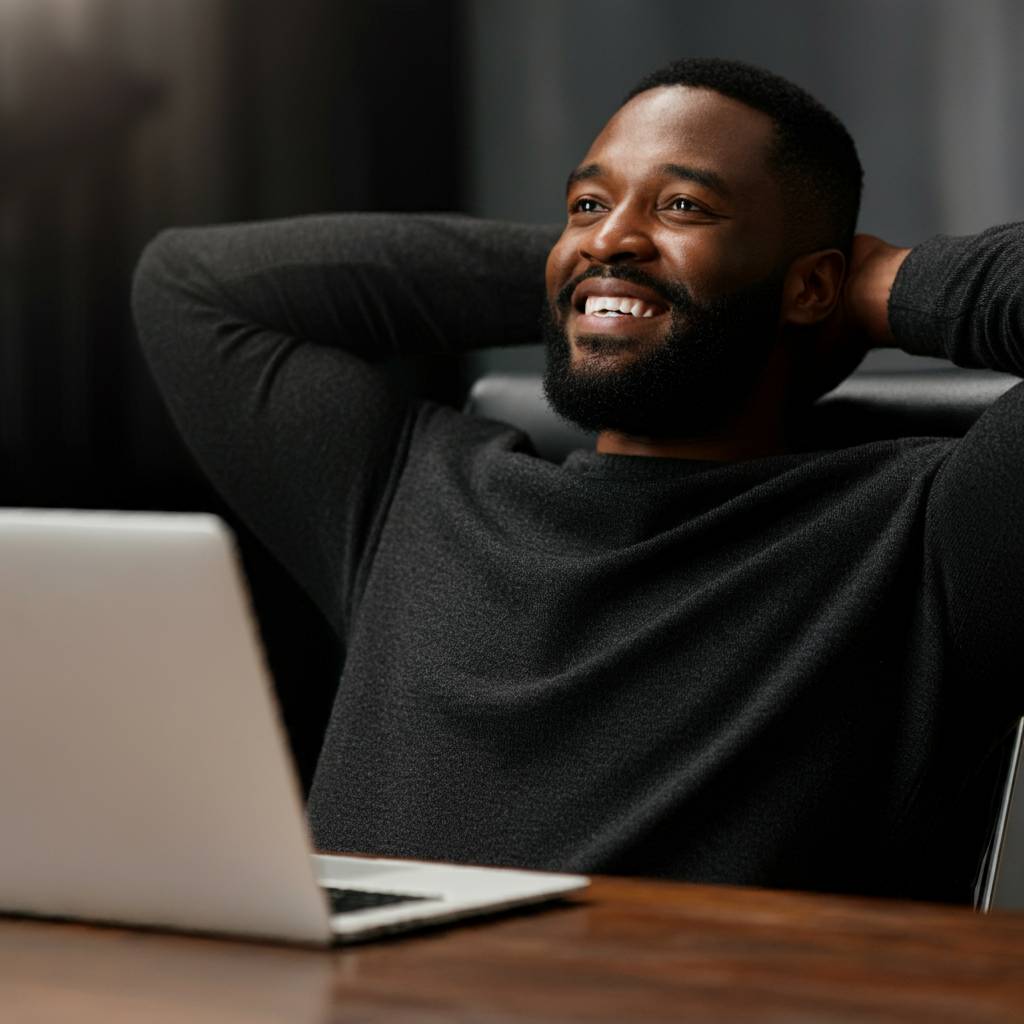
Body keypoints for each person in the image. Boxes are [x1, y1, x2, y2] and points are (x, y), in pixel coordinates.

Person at [132, 57, 1023, 903]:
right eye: (586, 202)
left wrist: (879, 283)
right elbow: (193, 286)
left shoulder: (928, 532)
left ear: (812, 287)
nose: (608, 232)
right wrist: (610, 267)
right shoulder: (410, 489)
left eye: (684, 203)